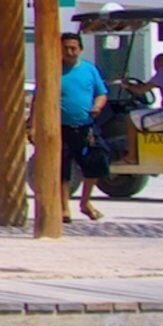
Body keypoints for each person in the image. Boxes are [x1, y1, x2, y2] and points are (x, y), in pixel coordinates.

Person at [58, 33, 107, 223]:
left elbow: (101, 94)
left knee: (96, 162)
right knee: (62, 169)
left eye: (73, 48)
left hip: (86, 126)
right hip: (61, 128)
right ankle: (64, 208)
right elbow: (39, 97)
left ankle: (85, 202)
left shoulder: (89, 69)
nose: (69, 52)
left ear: (80, 49)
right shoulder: (54, 69)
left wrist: (97, 107)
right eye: (66, 48)